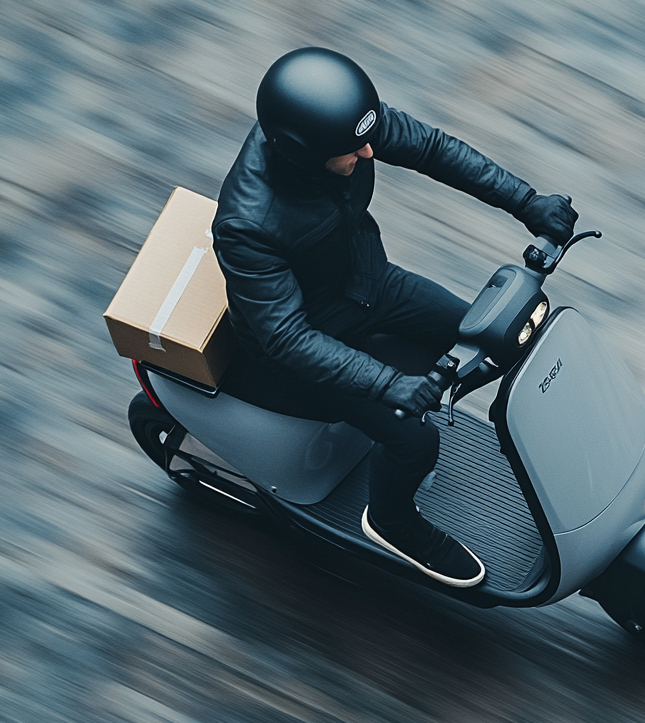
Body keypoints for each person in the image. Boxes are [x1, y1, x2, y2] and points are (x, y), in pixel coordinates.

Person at [212, 47, 577, 588]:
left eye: (368, 134)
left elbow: (432, 148)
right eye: (353, 147)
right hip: (305, 344)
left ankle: (472, 427)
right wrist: (390, 385)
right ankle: (391, 520)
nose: (368, 148)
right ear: (300, 153)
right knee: (414, 440)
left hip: (369, 283)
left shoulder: (338, 129)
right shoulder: (248, 226)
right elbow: (288, 338)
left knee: (502, 337)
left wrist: (527, 202)